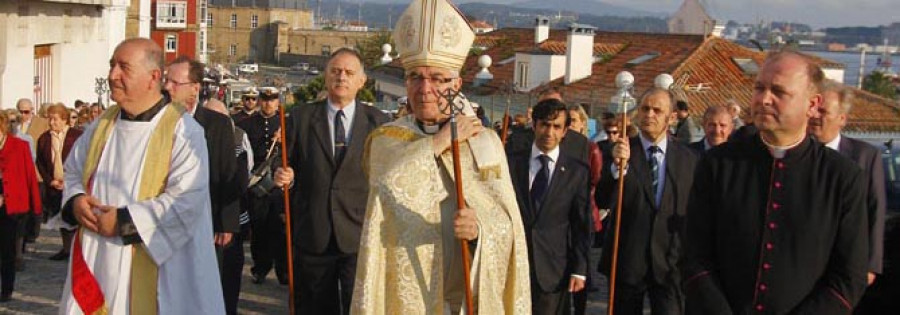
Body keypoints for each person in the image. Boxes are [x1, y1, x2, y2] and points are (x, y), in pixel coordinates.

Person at [343, 0, 531, 313]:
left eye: (437, 78)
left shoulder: (485, 142)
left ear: (456, 84)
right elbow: (390, 187)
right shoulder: (387, 140)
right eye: (415, 76)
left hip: (464, 298)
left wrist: (479, 231)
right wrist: (442, 141)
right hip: (407, 298)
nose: (425, 88)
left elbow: (509, 226)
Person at [683, 51, 869, 314]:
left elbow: (848, 278)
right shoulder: (717, 165)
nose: (764, 99)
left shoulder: (842, 177)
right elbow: (694, 255)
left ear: (812, 104)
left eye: (779, 92)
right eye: (759, 88)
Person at [57, 38, 224, 314]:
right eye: (112, 65)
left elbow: (185, 201)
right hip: (99, 262)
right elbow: (74, 171)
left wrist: (124, 222)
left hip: (160, 269)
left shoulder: (183, 132)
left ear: (153, 77)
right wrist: (75, 200)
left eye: (124, 67)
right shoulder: (102, 125)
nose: (112, 75)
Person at [272, 48, 390, 314]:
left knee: (357, 306)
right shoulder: (301, 117)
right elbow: (284, 164)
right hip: (313, 233)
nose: (341, 78)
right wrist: (285, 177)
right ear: (325, 76)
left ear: (362, 81)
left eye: (349, 73)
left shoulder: (377, 123)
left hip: (358, 235)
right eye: (335, 71)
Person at [598, 87, 699, 314]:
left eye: (657, 110)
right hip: (627, 259)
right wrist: (617, 168)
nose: (649, 114)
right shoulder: (621, 151)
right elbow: (602, 199)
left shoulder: (688, 159)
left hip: (670, 263)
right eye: (645, 108)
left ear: (672, 117)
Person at [164, 56, 243, 314]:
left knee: (209, 285)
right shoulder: (160, 119)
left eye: (175, 83)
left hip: (207, 218)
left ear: (194, 88)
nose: (167, 88)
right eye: (166, 81)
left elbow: (226, 171)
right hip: (167, 215)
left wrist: (226, 223)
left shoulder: (217, 124)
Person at [508, 99, 591, 314]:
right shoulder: (511, 163)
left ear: (565, 131)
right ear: (534, 125)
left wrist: (580, 269)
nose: (549, 132)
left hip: (554, 270)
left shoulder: (576, 172)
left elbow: (581, 224)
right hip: (514, 265)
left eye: (556, 127)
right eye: (545, 124)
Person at [808, 81, 885, 288]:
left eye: (823, 111)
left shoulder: (865, 156)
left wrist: (871, 265)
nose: (815, 116)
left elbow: (875, 208)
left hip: (845, 258)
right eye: (813, 109)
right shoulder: (795, 153)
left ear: (842, 119)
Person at [237, 87, 289, 285]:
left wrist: (284, 140)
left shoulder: (285, 123)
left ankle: (283, 270)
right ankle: (260, 268)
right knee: (260, 228)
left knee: (282, 228)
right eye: (265, 99)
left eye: (273, 100)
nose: (268, 103)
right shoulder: (248, 124)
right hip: (258, 182)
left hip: (279, 181)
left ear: (277, 102)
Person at [0, 113, 42, 302]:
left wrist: (36, 207)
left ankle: (6, 289)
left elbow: (29, 178)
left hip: (13, 207)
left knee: (8, 249)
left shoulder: (19, 146)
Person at [567, 103, 604, 315]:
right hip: (562, 215)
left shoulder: (590, 148)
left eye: (573, 121)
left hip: (584, 212)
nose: (569, 125)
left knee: (581, 263)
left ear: (582, 124)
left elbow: (595, 178)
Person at [35, 104, 83, 261]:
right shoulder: (44, 138)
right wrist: (51, 181)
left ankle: (79, 250)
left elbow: (84, 160)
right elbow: (41, 163)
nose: (51, 122)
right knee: (61, 217)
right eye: (49, 119)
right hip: (54, 185)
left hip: (73, 183)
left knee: (76, 217)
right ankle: (66, 248)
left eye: (55, 119)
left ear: (64, 119)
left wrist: (70, 181)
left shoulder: (77, 136)